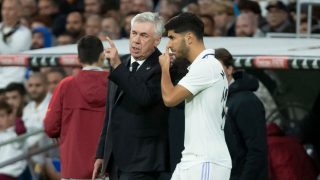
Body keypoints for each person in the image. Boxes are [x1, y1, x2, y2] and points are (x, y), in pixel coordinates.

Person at [92, 12, 170, 180]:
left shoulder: (163, 66)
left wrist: (118, 67)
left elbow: (144, 97)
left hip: (144, 163)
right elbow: (110, 113)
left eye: (144, 35)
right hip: (117, 161)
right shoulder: (122, 64)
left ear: (157, 40)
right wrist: (102, 153)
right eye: (134, 33)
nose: (136, 40)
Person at [159, 12, 231, 180]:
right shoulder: (203, 66)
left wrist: (164, 68)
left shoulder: (207, 66)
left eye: (172, 38)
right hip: (192, 160)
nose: (169, 45)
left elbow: (169, 99)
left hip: (206, 160)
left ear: (189, 37)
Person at [44, 35, 109, 179]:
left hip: (73, 167)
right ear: (103, 56)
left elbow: (50, 126)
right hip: (106, 168)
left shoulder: (65, 86)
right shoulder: (115, 84)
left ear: (78, 59)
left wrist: (56, 132)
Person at [215, 48, 268, 180]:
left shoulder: (246, 102)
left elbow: (256, 151)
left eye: (217, 68)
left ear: (229, 69)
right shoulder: (214, 99)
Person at [0, 101, 27, 180]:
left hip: (8, 173)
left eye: (1, 116)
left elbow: (21, 131)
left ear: (9, 117)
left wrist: (15, 116)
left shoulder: (13, 133)